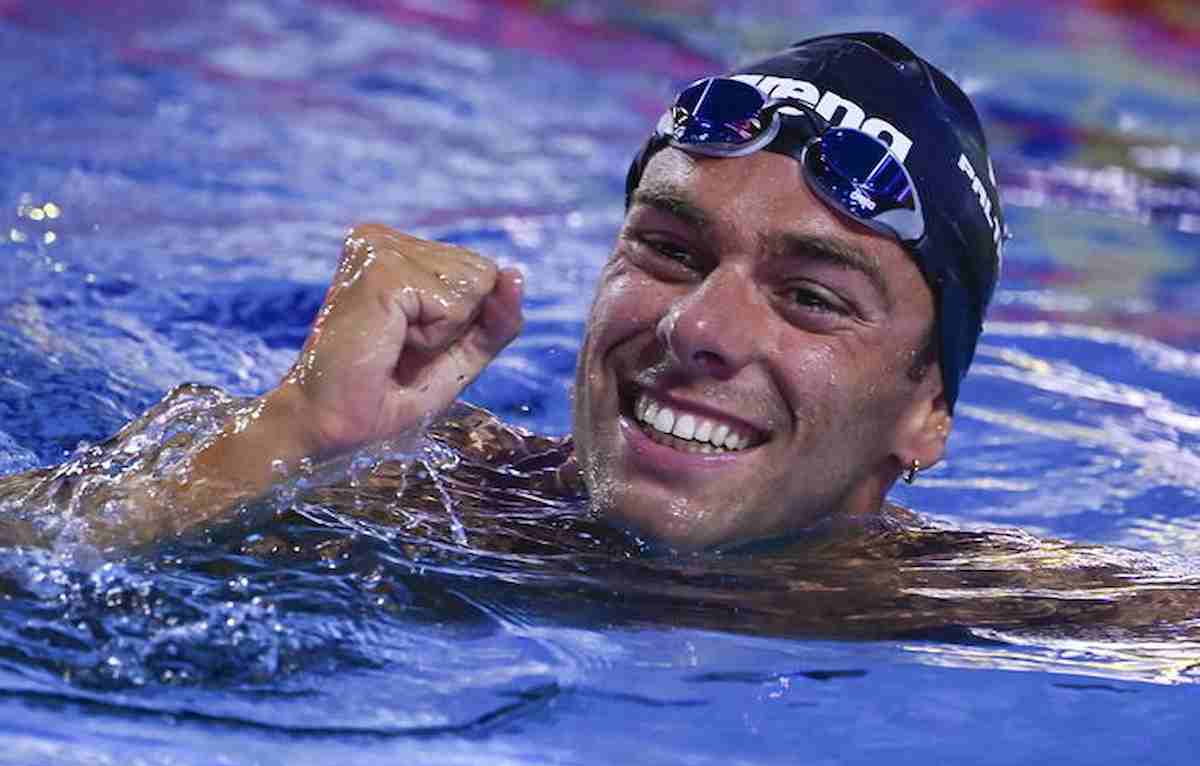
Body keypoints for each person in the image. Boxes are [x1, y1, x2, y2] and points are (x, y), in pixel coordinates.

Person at [0, 32, 1005, 556]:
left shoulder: (1007, 615)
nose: (698, 326)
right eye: (668, 249)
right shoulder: (416, 488)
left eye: (813, 298)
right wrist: (293, 436)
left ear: (927, 412)